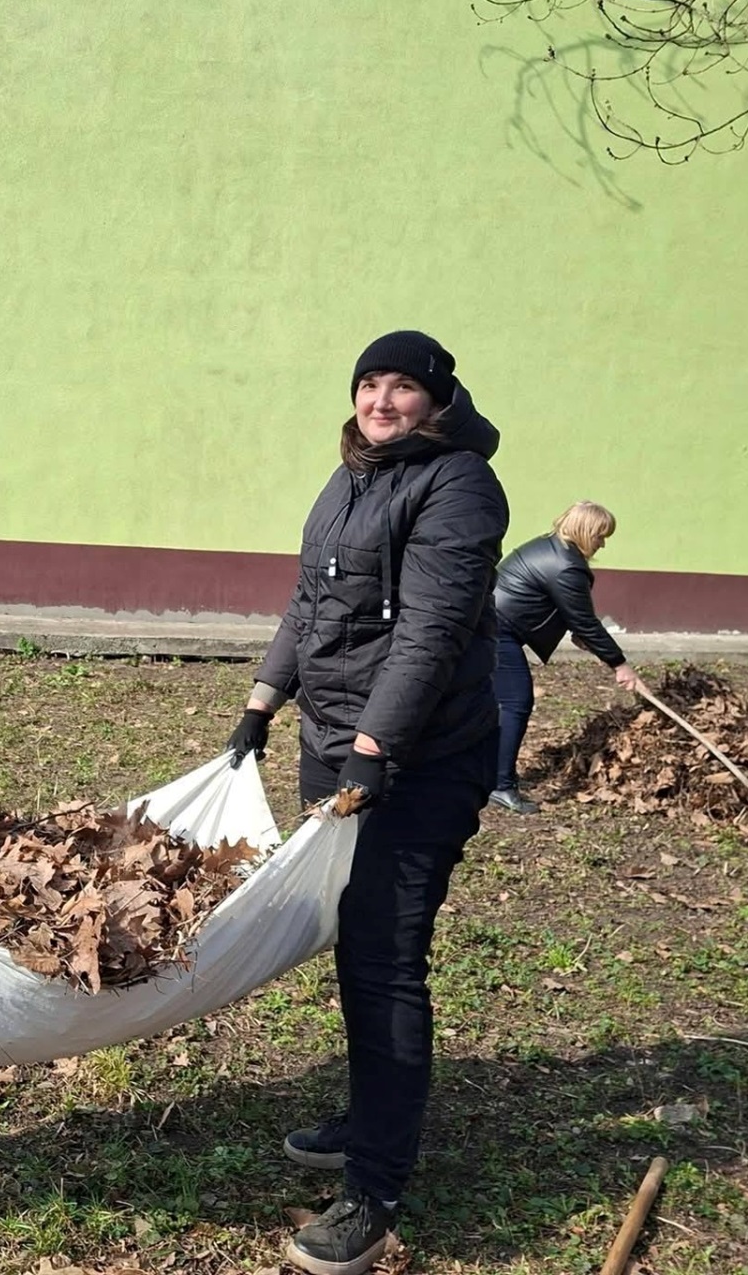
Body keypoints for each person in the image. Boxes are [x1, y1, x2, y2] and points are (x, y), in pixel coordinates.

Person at [224, 330, 508, 1275]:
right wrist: (262, 703)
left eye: (403, 388)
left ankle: (375, 1188)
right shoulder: (350, 472)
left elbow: (429, 629)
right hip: (334, 742)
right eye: (370, 383)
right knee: (355, 939)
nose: (382, 400)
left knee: (388, 957)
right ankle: (366, 1114)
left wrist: (377, 748)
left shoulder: (459, 485)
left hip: (416, 760)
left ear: (438, 399)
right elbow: (310, 601)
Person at [488, 501, 640, 814]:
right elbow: (584, 620)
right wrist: (620, 664)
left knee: (492, 702)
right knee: (516, 702)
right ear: (585, 532)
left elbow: (559, 608)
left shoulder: (553, 548)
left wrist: (582, 635)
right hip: (496, 630)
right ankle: (500, 785)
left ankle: (485, 773)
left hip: (490, 622)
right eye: (600, 535)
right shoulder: (567, 566)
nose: (603, 542)